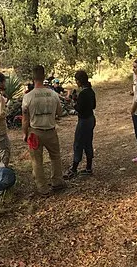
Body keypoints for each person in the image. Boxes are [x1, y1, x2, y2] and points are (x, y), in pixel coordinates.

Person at [23, 65, 65, 194]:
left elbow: (25, 118)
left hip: (35, 132)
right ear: (44, 76)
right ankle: (57, 181)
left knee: (37, 160)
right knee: (55, 157)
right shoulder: (53, 94)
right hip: (51, 130)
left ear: (33, 78)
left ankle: (42, 187)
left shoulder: (28, 97)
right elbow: (60, 112)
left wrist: (25, 133)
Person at [64, 70, 96, 179]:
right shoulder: (90, 91)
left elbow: (79, 109)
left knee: (78, 143)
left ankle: (74, 168)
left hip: (84, 121)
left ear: (79, 81)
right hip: (91, 119)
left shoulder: (83, 93)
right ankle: (88, 167)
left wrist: (73, 103)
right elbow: (93, 106)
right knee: (88, 143)